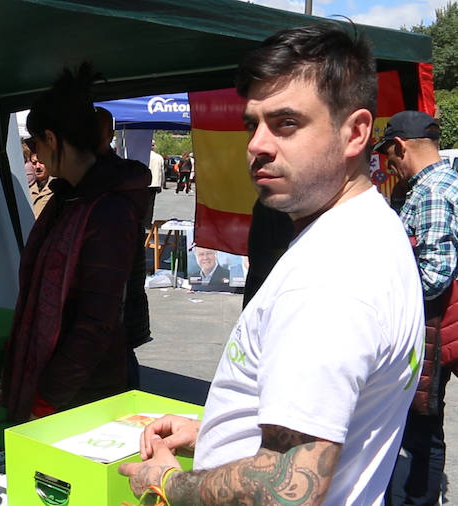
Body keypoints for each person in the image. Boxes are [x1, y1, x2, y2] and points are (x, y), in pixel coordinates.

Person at [120, 23, 425, 505]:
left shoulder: (328, 280)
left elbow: (285, 488)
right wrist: (218, 431)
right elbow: (327, 426)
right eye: (252, 123)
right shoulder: (371, 226)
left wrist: (164, 482)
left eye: (286, 123)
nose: (258, 144)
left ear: (356, 132)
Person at [1, 63, 150, 421]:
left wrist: (47, 398)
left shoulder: (108, 208)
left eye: (35, 143)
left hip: (85, 395)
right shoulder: (69, 198)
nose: (34, 154)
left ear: (52, 139)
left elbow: (95, 321)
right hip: (64, 384)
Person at [374, 110, 458, 504]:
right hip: (433, 328)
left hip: (429, 329)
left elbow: (435, 274)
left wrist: (383, 290)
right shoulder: (441, 185)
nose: (388, 164)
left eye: (388, 154)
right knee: (422, 425)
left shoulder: (431, 192)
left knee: (421, 428)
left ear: (400, 147)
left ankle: (416, 500)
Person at [94, 105, 152, 388]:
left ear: (108, 135)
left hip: (118, 309)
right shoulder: (122, 180)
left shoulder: (111, 184)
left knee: (121, 367)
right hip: (119, 308)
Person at [28, 151, 53, 218]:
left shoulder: (57, 189)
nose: (37, 166)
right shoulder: (28, 191)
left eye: (41, 162)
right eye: (34, 163)